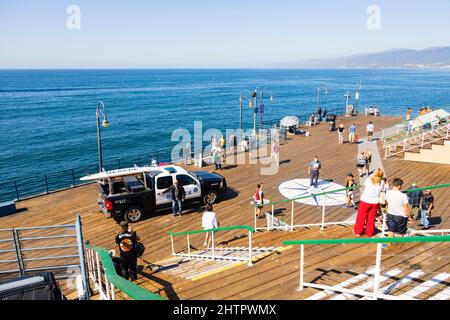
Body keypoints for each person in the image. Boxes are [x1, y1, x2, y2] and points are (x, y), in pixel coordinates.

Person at [353, 168, 384, 238]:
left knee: (361, 217)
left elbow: (364, 185)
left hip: (365, 201)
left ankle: (358, 232)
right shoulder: (381, 182)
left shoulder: (369, 180)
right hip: (374, 202)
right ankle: (369, 233)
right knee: (371, 218)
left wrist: (371, 176)